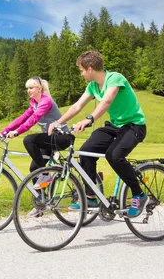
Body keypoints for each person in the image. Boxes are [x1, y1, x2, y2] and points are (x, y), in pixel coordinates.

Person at [47, 51, 148, 218]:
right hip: (115, 126)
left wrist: (89, 120)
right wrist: (59, 122)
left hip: (134, 126)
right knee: (86, 151)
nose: (81, 74)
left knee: (114, 156)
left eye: (81, 70)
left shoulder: (115, 78)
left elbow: (107, 101)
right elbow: (77, 106)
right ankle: (90, 197)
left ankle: (139, 194)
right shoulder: (93, 86)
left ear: (90, 68)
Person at [0, 77, 72, 192]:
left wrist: (17, 132)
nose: (28, 90)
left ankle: (45, 174)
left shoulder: (46, 101)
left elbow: (34, 119)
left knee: (29, 140)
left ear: (39, 89)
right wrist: (4, 132)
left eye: (31, 88)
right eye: (27, 88)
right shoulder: (34, 103)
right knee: (34, 168)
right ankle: (41, 203)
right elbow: (22, 118)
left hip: (62, 138)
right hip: (50, 139)